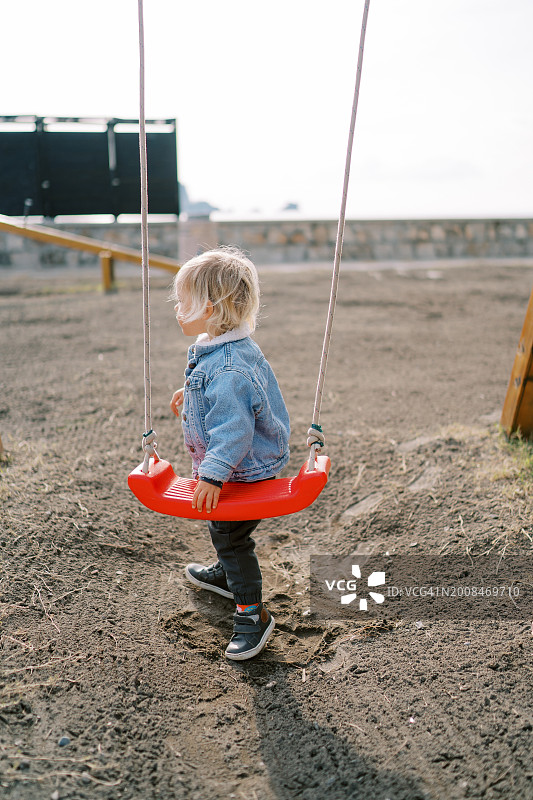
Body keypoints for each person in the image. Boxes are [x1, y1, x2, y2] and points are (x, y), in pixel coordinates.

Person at [169, 247, 290, 661]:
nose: (177, 308)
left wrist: (213, 474)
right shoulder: (222, 349)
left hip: (243, 470)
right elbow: (230, 401)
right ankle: (226, 575)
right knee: (226, 530)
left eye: (183, 301)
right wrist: (192, 396)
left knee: (232, 536)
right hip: (247, 463)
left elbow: (235, 431)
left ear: (212, 306)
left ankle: (252, 614)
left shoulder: (227, 370)